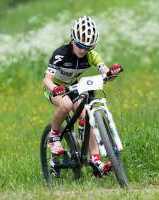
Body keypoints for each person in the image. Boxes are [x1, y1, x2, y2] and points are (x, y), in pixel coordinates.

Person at [43, 16, 122, 174]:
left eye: (88, 47)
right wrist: (55, 88)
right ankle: (54, 135)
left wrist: (111, 73)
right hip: (55, 88)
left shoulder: (91, 55)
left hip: (73, 87)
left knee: (86, 115)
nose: (83, 50)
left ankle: (96, 160)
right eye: (80, 45)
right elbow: (47, 79)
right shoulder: (61, 53)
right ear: (72, 39)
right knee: (66, 104)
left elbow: (105, 72)